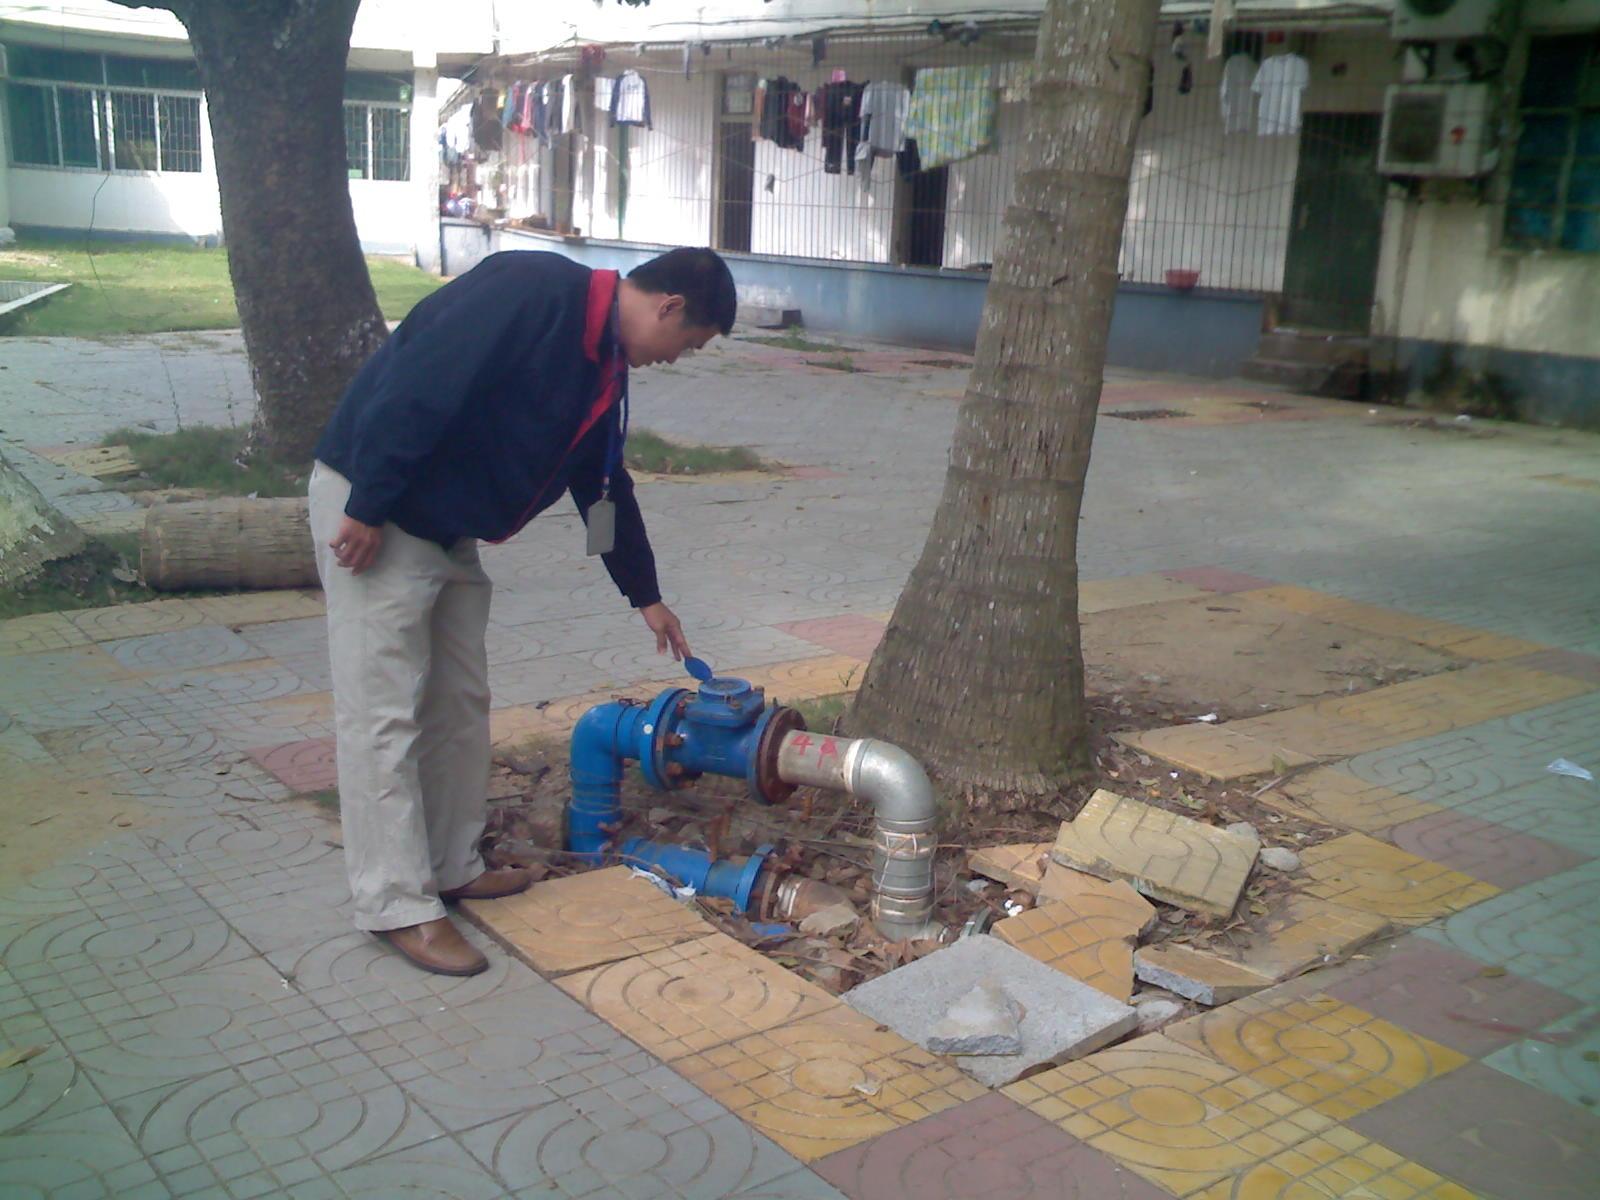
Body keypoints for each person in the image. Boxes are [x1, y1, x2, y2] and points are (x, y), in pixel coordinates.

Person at [308, 247, 738, 976]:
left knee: (458, 704)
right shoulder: (531, 290)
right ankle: (396, 905)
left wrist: (644, 594)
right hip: (379, 514)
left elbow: (603, 486)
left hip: (446, 531)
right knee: (381, 715)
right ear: (668, 306)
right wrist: (368, 502)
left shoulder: (605, 368)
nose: (678, 357)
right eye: (688, 342)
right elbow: (421, 382)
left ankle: (451, 866)